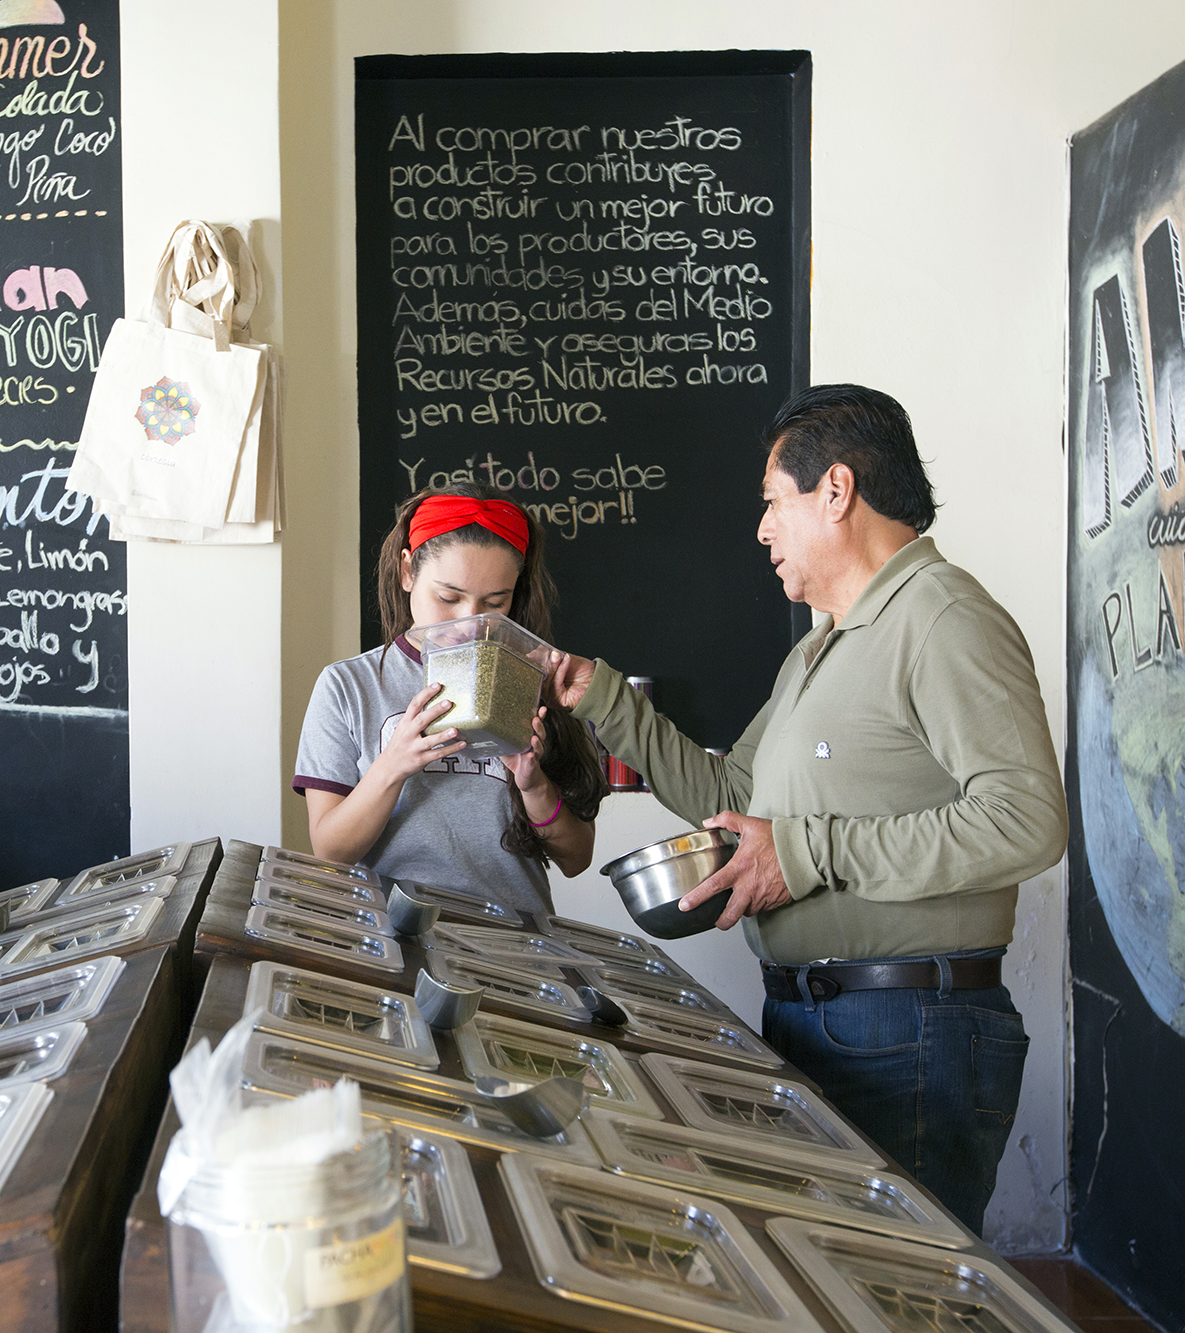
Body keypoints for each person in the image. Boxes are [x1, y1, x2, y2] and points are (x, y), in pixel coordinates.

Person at [548, 384, 1066, 1236]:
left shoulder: (944, 619)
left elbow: (1026, 818)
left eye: (771, 502)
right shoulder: (819, 647)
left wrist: (807, 853)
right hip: (817, 1017)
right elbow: (734, 798)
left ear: (836, 491)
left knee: (906, 1289)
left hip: (910, 1030)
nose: (762, 529)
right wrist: (604, 700)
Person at [293, 484, 605, 916]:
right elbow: (330, 851)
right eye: (448, 597)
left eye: (495, 603)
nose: (470, 621)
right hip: (392, 933)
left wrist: (534, 788)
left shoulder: (538, 680)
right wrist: (393, 764)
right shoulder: (348, 686)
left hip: (514, 939)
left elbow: (577, 859)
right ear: (407, 572)